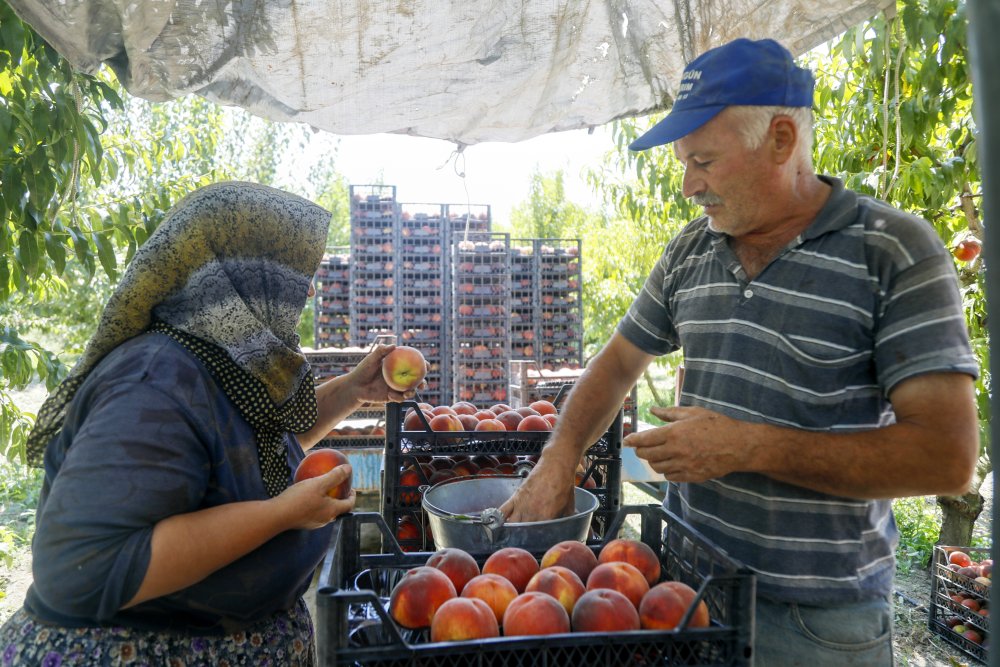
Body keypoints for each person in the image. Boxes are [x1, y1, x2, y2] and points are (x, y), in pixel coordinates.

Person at [502, 38, 979, 666]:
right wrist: (560, 456)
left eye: (703, 161)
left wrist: (748, 447)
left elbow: (947, 457)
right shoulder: (690, 250)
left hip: (813, 625)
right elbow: (617, 364)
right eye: (684, 163)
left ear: (781, 139)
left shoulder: (892, 251)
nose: (687, 185)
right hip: (685, 594)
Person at [0, 182, 421, 666]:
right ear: (241, 276)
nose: (308, 290)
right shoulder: (153, 380)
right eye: (293, 272)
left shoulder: (221, 360)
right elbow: (83, 568)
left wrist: (353, 390)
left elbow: (246, 451)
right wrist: (282, 514)